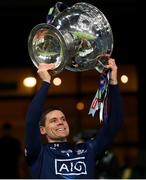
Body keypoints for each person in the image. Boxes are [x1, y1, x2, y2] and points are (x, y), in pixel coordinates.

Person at [25, 58, 123, 179]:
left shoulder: (88, 150)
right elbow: (31, 122)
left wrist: (113, 81)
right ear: (42, 130)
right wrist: (46, 82)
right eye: (53, 121)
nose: (60, 122)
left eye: (63, 119)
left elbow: (115, 123)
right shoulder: (39, 154)